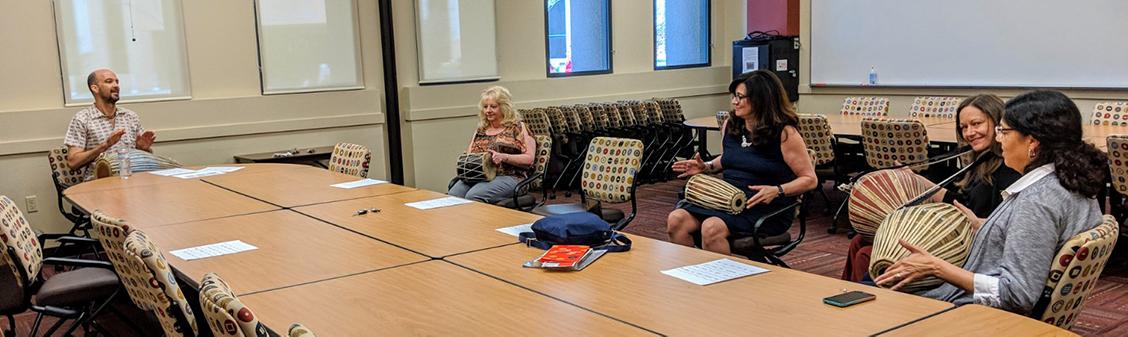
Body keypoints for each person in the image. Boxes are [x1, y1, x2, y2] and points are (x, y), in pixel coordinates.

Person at [874, 90, 1105, 315]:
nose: (998, 138)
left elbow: (1017, 295)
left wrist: (936, 267)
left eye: (1004, 131)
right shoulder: (1071, 183)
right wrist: (985, 225)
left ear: (1032, 142)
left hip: (974, 313)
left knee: (872, 295)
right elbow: (1038, 241)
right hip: (980, 305)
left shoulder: (1037, 201)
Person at [841, 94, 1022, 282]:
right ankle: (846, 293)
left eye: (976, 124)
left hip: (967, 245)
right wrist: (916, 179)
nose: (969, 133)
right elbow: (960, 200)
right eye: (964, 127)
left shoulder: (1007, 166)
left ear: (998, 124)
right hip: (958, 230)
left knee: (867, 254)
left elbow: (997, 222)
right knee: (858, 241)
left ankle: (865, 298)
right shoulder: (982, 160)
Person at [667, 70, 817, 255]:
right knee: (676, 220)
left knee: (711, 228)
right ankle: (692, 274)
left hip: (764, 205)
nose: (734, 102)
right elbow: (731, 158)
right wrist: (706, 167)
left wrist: (777, 190)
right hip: (727, 199)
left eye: (740, 97)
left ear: (760, 100)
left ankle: (723, 281)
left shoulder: (785, 134)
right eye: (734, 96)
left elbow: (810, 179)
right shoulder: (731, 125)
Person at [448, 86, 536, 203]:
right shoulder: (481, 130)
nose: (488, 110)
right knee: (454, 195)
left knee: (473, 196)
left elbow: (529, 159)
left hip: (511, 177)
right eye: (485, 107)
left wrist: (504, 157)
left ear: (504, 108)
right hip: (480, 176)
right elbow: (469, 155)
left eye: (493, 106)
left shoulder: (517, 127)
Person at [64, 68, 156, 180]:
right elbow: (73, 163)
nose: (116, 85)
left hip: (133, 179)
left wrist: (143, 149)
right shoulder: (82, 119)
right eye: (109, 81)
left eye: (117, 82)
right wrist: (104, 146)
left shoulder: (130, 116)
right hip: (99, 183)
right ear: (95, 88)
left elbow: (145, 156)